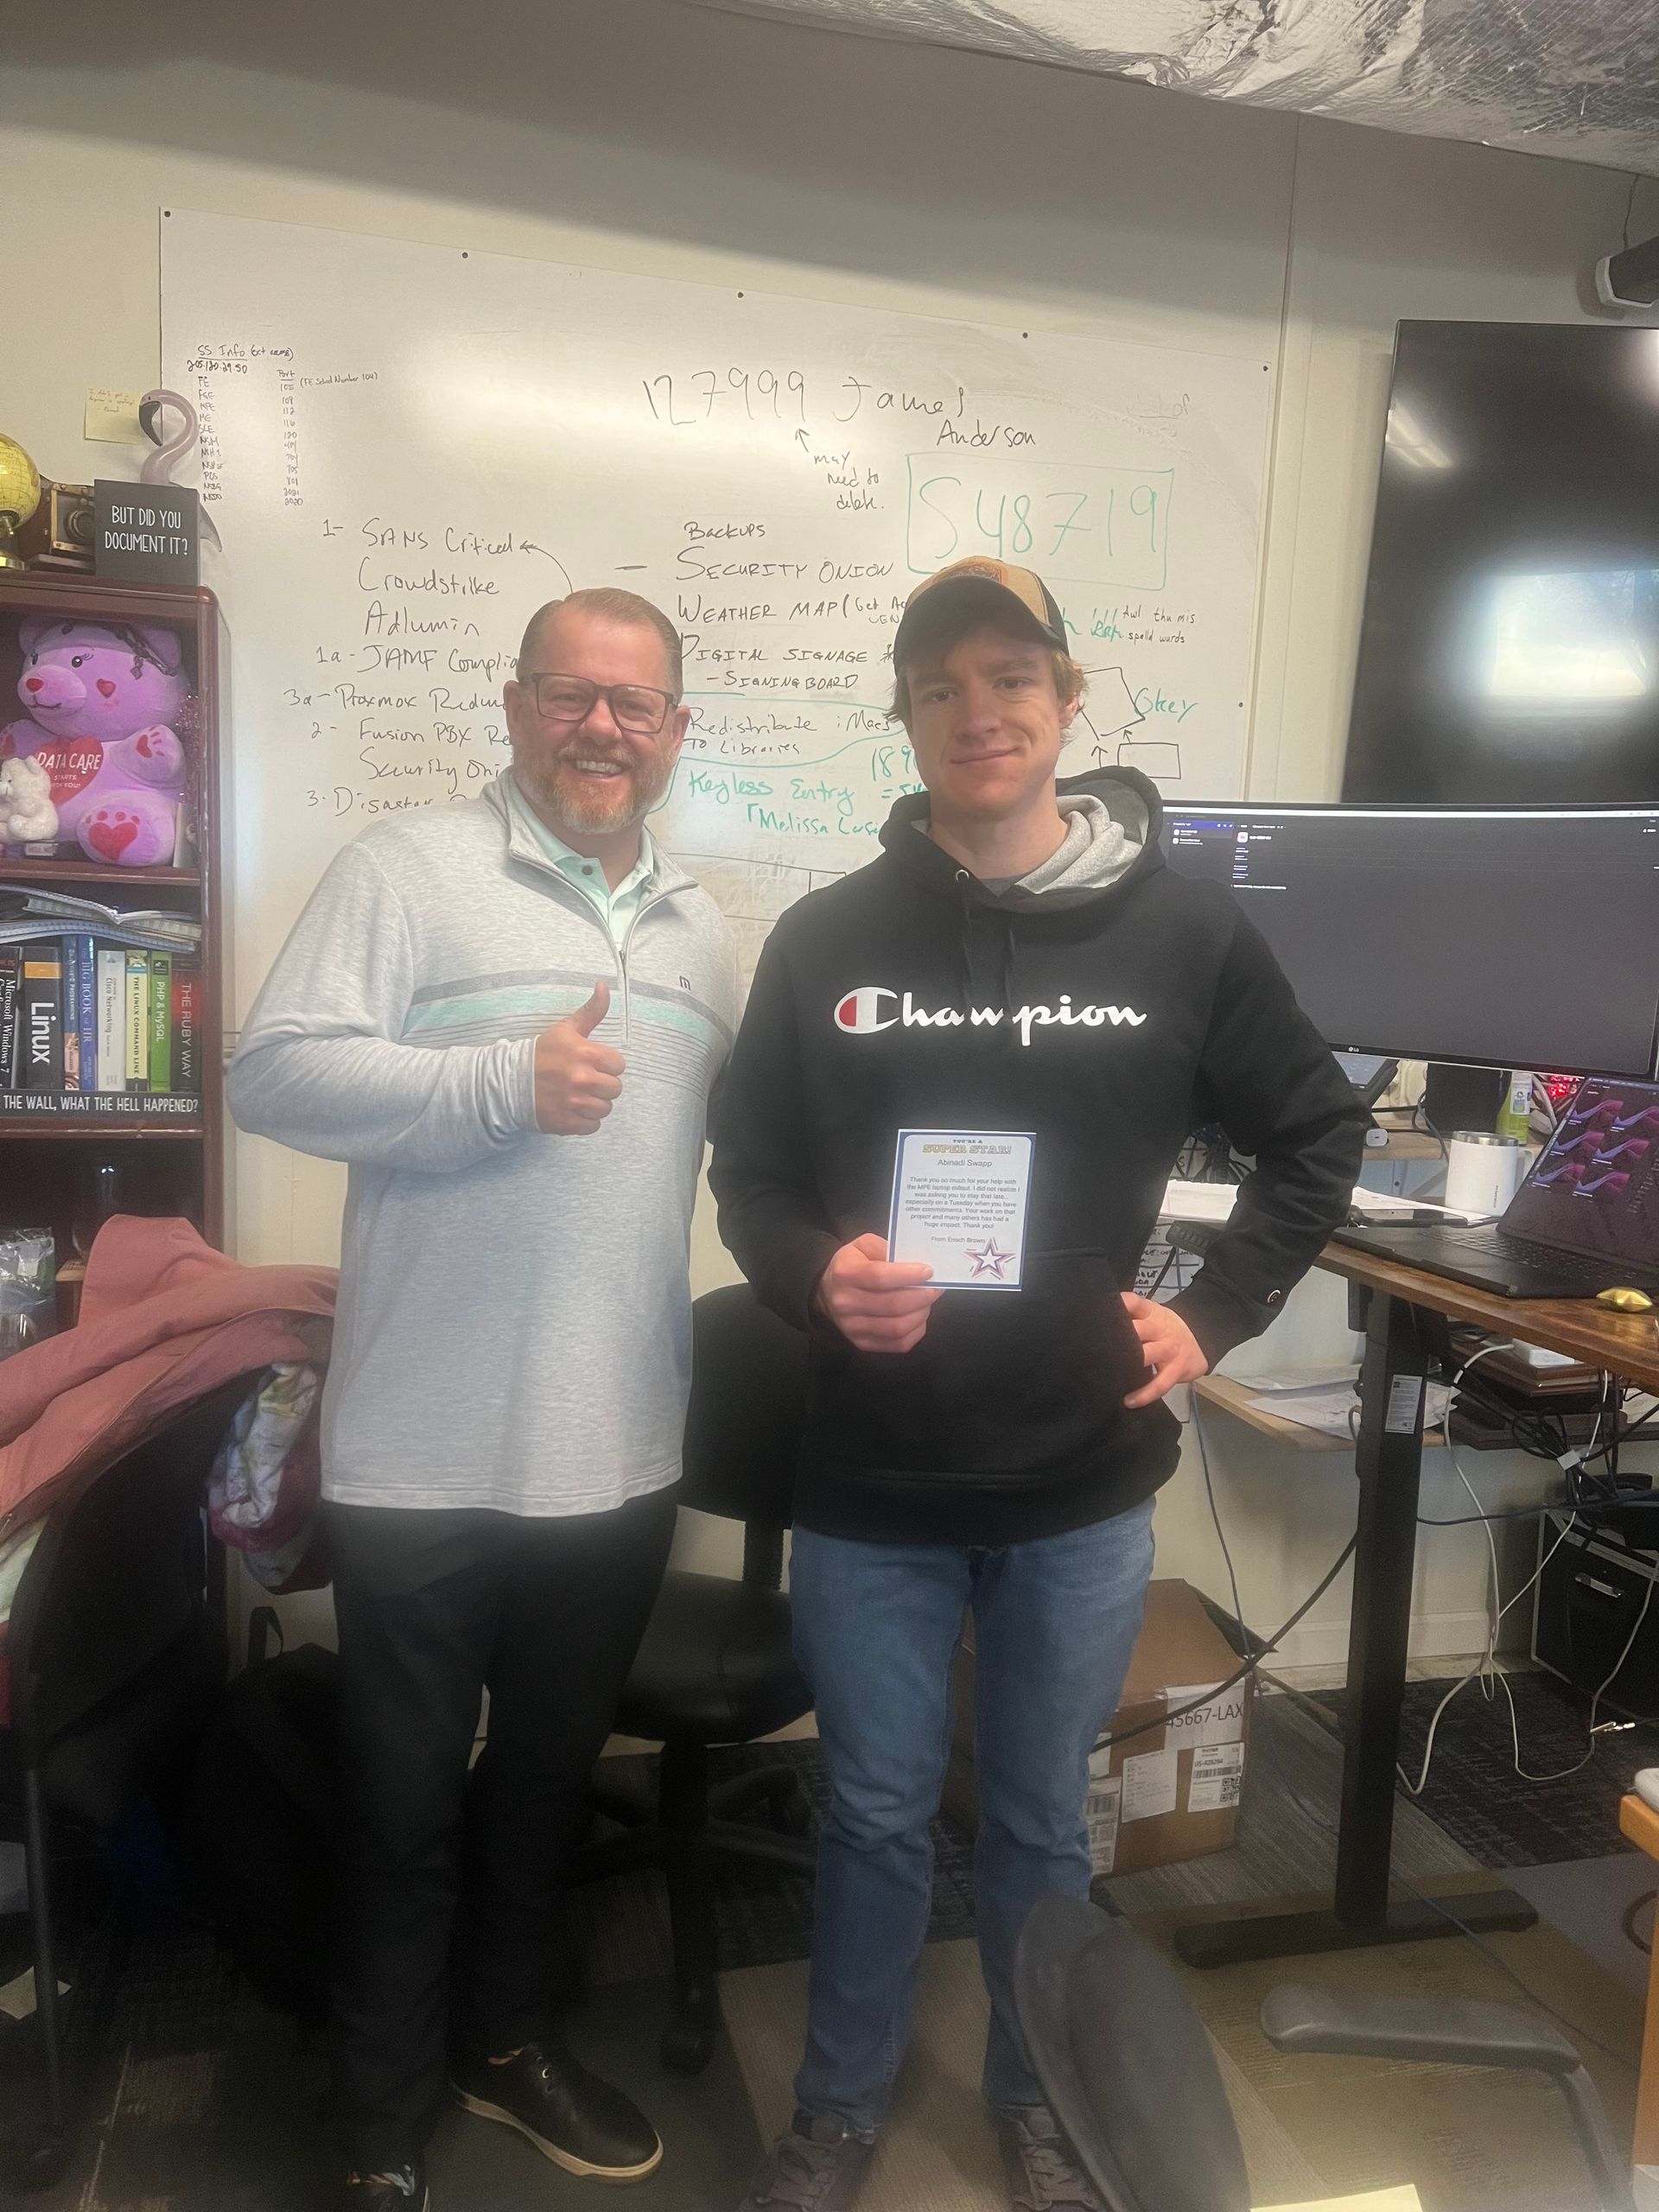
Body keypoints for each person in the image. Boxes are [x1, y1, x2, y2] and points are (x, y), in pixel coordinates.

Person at [709, 558, 1368, 2212]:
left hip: (1079, 1475)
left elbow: (1317, 1134)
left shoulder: (1189, 929)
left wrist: (1212, 1317)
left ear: (1069, 706)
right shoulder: (827, 937)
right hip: (871, 1477)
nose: (977, 712)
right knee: (864, 1812)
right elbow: (754, 1172)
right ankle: (841, 2110)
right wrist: (810, 1276)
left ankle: (1042, 2100)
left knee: (1038, 1828)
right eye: (941, 686)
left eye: (1011, 679)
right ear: (910, 719)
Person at [229, 588, 738, 2212]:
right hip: (418, 1450)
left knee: (540, 1792)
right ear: (516, 706)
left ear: (675, 731)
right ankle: (379, 2107)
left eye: (636, 704)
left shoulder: (706, 933)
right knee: (399, 1808)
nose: (604, 728)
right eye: (572, 696)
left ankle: (504, 2047)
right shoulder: (405, 870)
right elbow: (273, 1072)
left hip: (616, 1452)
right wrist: (494, 1083)